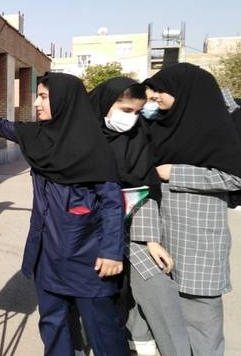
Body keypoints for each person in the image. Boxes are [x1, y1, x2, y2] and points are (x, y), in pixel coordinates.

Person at [0, 73, 129, 356]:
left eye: (43, 97)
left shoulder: (93, 147)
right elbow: (1, 125)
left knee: (102, 329)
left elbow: (113, 204)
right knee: (53, 323)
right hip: (46, 253)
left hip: (86, 257)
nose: (37, 103)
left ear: (64, 100)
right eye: (37, 96)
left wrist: (112, 252)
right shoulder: (38, 136)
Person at [144, 63, 241, 356]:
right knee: (169, 328)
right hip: (161, 240)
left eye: (160, 91)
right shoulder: (160, 126)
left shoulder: (215, 129)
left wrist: (174, 172)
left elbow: (234, 178)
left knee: (203, 329)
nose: (155, 97)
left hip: (199, 244)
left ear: (184, 92)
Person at [89, 77, 191, 356]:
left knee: (130, 292)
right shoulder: (82, 137)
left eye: (137, 112)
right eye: (125, 110)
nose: (131, 119)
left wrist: (151, 240)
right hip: (86, 233)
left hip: (129, 231)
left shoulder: (138, 136)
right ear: (105, 104)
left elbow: (147, 188)